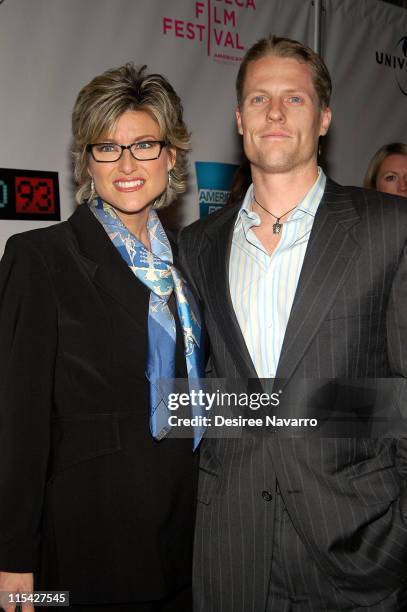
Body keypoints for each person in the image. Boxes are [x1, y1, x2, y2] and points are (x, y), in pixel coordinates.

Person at [179, 35, 407, 611]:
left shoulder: (391, 228)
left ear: (325, 117)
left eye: (295, 99)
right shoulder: (196, 245)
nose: (275, 112)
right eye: (259, 99)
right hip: (231, 547)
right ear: (238, 117)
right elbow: (192, 397)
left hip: (359, 546)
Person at [0, 63, 201, 612]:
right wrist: (13, 555)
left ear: (172, 156)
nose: (127, 164)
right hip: (91, 543)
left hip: (187, 537)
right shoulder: (40, 258)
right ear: (88, 161)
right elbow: (18, 419)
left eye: (143, 144)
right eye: (107, 148)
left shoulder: (193, 262)